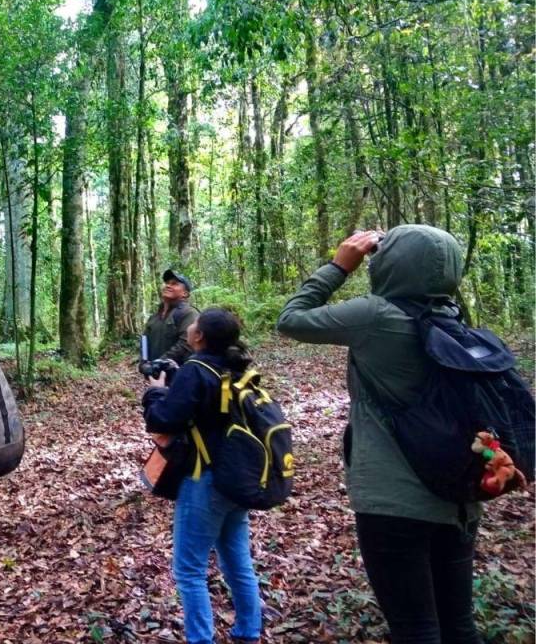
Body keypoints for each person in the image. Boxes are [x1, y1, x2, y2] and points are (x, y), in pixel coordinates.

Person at [276, 225, 483, 644]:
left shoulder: (375, 316)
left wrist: (339, 265)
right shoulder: (457, 322)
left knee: (415, 630)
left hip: (393, 503)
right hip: (459, 495)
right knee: (458, 626)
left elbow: (291, 319)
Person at [142, 307, 263, 644]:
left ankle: (200, 639)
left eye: (194, 325)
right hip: (236, 477)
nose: (190, 326)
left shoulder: (197, 370)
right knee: (238, 563)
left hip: (205, 479)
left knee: (189, 570)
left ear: (199, 336)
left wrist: (155, 390)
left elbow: (163, 420)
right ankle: (248, 632)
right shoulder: (235, 366)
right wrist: (178, 377)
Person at [143, 269, 198, 365]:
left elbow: (186, 344)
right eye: (167, 283)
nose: (168, 286)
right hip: (155, 374)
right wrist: (143, 362)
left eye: (174, 284)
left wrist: (160, 363)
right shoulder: (154, 317)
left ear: (185, 293)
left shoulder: (189, 313)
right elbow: (144, 341)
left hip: (179, 375)